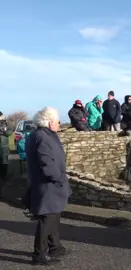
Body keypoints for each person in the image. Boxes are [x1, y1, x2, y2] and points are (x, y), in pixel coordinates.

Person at [26, 107, 72, 265]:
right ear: (49, 122)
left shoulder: (42, 134)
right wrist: (59, 178)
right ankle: (39, 254)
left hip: (50, 185)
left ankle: (55, 247)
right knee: (47, 219)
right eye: (57, 121)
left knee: (54, 216)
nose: (59, 123)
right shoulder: (42, 137)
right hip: (48, 185)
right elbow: (46, 163)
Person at [0, 112, 12, 196]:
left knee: (4, 163)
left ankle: (3, 177)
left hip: (3, 146)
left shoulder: (5, 123)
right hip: (3, 145)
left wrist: (4, 132)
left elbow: (9, 132)